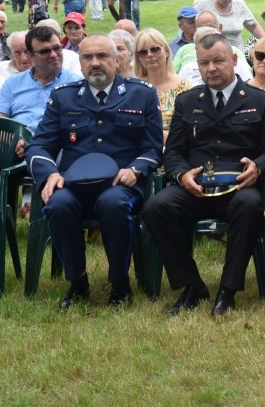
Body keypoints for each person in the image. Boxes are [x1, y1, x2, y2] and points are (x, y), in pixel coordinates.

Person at [142, 33, 265, 316]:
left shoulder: (261, 101)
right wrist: (181, 176)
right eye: (204, 63)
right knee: (156, 207)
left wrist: (258, 167)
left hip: (239, 186)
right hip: (196, 186)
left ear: (233, 60)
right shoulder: (187, 101)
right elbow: (174, 152)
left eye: (218, 61)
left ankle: (227, 291)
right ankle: (191, 285)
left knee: (249, 206)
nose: (211, 69)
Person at [25, 34, 164, 310]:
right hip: (74, 184)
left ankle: (120, 284)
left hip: (120, 184)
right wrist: (50, 173)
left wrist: (136, 169)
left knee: (113, 204)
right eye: (88, 57)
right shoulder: (63, 97)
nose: (95, 63)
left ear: (118, 59)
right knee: (58, 205)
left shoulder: (142, 93)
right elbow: (40, 145)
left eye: (102, 56)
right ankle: (78, 282)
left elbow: (153, 148)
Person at [0, 27, 81, 131]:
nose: (54, 54)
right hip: (16, 142)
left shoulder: (77, 85)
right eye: (45, 51)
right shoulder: (13, 83)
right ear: (31, 55)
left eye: (57, 48)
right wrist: (13, 141)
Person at [133, 28, 190, 142]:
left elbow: (190, 129)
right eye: (143, 52)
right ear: (138, 58)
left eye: (155, 49)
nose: (149, 55)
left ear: (167, 51)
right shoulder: (134, 89)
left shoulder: (184, 88)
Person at [193, 0, 264, 50]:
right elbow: (189, 24)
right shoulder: (204, 4)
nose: (228, 1)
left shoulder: (239, 4)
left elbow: (253, 26)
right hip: (211, 51)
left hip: (237, 51)